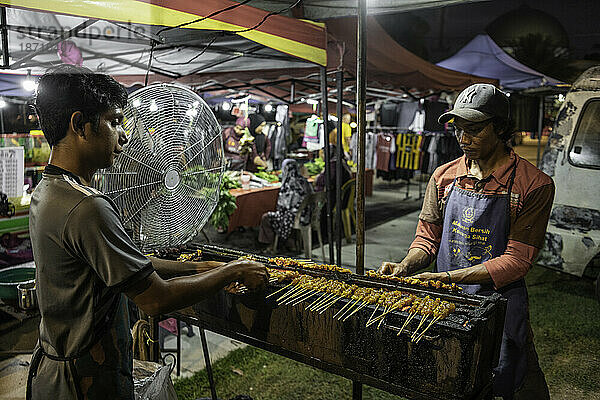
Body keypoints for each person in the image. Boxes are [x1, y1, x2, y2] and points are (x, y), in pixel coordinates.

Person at [27, 65, 268, 400]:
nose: (124, 135)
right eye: (113, 121)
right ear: (80, 125)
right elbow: (156, 299)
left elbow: (132, 263)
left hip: (54, 374)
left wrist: (201, 268)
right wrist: (234, 270)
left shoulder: (49, 190)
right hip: (84, 384)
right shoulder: (87, 207)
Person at [378, 84, 552, 400]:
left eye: (474, 129)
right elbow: (427, 238)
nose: (463, 139)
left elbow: (517, 261)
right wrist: (405, 265)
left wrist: (443, 277)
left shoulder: (534, 185)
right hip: (449, 305)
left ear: (501, 128)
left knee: (510, 381)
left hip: (500, 307)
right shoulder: (443, 178)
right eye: (459, 129)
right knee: (448, 381)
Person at [258, 159, 313, 251]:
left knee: (266, 217)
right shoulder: (305, 181)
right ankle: (290, 243)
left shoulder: (288, 184)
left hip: (295, 218)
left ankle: (271, 246)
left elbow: (284, 206)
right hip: (307, 216)